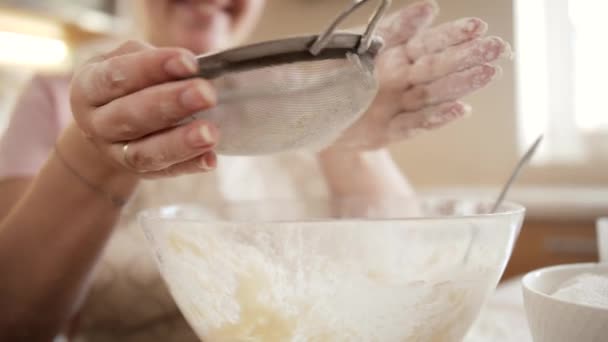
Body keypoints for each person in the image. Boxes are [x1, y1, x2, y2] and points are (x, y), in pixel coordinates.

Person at [0, 0, 511, 340]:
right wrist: (95, 159)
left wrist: (348, 140)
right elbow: (14, 319)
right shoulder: (50, 100)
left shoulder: (316, 94)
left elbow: (402, 292)